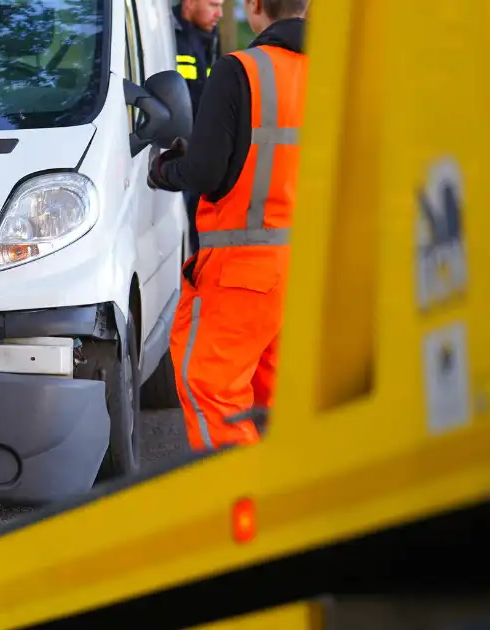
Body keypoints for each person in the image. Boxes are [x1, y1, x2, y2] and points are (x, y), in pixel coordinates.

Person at [146, 0, 309, 452]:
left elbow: (205, 173)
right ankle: (288, 503)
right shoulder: (332, 75)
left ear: (255, 6)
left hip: (242, 268)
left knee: (211, 387)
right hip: (306, 269)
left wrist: (166, 171)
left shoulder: (238, 70)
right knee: (277, 402)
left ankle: (240, 499)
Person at [173, 0, 222, 255]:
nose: (220, 13)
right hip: (177, 148)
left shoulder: (210, 38)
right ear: (189, 3)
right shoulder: (170, 38)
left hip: (201, 149)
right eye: (214, 4)